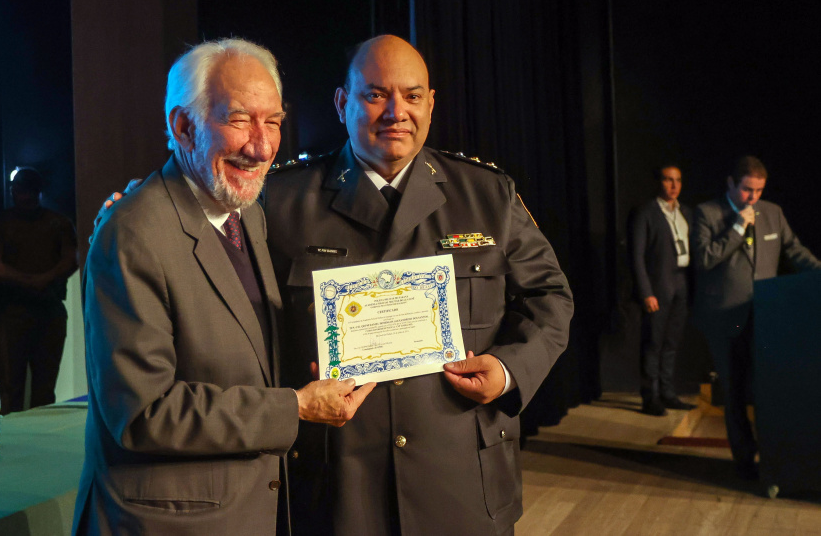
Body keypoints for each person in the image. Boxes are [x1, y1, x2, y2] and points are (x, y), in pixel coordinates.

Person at [265, 35, 573, 536]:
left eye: (411, 96)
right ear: (342, 102)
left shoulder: (488, 195)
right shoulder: (279, 203)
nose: (396, 112)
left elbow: (550, 298)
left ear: (431, 103)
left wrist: (508, 368)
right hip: (337, 488)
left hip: (461, 482)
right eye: (375, 95)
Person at [73, 39, 375, 535]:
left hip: (245, 510)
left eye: (273, 121)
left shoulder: (247, 213)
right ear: (183, 127)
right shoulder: (133, 233)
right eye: (238, 120)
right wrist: (295, 406)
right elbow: (146, 413)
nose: (260, 146)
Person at [692, 155, 821, 479]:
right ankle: (744, 460)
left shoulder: (772, 213)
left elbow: (794, 251)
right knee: (734, 389)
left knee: (769, 388)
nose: (753, 197)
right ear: (731, 184)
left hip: (767, 314)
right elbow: (704, 260)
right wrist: (737, 228)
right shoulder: (707, 214)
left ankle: (775, 460)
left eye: (759, 190)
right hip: (725, 317)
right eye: (748, 190)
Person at [0, 168, 78, 414]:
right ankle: (11, 441)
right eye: (20, 189)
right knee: (10, 387)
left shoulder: (58, 223)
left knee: (43, 390)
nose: (23, 195)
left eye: (27, 190)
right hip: (15, 311)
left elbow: (71, 259)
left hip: (47, 310)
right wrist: (37, 280)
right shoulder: (1, 224)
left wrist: (39, 280)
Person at [627, 165, 696, 416]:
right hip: (658, 287)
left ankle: (667, 393)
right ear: (660, 182)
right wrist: (646, 292)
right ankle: (650, 397)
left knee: (671, 343)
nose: (674, 185)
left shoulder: (685, 211)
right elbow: (636, 256)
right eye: (668, 180)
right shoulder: (646, 212)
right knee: (653, 344)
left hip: (681, 283)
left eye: (678, 180)